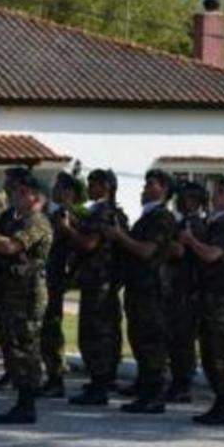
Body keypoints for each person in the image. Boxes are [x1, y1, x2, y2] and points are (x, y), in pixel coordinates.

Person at [0, 173, 53, 424]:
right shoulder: (18, 220)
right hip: (12, 292)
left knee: (25, 347)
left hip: (27, 294)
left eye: (23, 192)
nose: (16, 196)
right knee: (12, 345)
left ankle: (27, 404)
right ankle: (23, 400)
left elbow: (12, 247)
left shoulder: (37, 222)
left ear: (36, 197)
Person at [106, 169, 177, 413]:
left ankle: (154, 395)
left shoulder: (162, 218)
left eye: (151, 184)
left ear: (164, 189)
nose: (144, 189)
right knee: (139, 339)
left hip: (152, 290)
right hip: (139, 287)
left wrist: (120, 237)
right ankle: (145, 389)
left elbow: (147, 250)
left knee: (151, 342)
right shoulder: (148, 216)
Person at [179, 177, 224, 425]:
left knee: (223, 352)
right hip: (210, 297)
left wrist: (191, 241)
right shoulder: (214, 223)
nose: (214, 195)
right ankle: (220, 401)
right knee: (210, 351)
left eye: (220, 192)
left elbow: (212, 255)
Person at [63, 169, 129, 406]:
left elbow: (89, 243)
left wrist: (67, 229)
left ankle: (101, 384)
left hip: (101, 280)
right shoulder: (100, 211)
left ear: (106, 186)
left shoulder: (105, 212)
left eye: (94, 183)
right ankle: (100, 380)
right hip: (97, 279)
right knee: (98, 332)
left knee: (97, 334)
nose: (89, 187)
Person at [163, 181, 207, 404]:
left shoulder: (194, 225)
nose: (179, 201)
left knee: (183, 340)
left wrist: (164, 244)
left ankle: (183, 384)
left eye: (185, 198)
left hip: (187, 289)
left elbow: (181, 252)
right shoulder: (184, 223)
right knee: (175, 338)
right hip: (178, 287)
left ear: (195, 201)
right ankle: (178, 381)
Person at [38, 172, 81, 399]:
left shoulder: (67, 216)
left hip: (54, 277)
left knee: (51, 329)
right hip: (46, 277)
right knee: (45, 329)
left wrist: (68, 277)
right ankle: (51, 375)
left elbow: (77, 248)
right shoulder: (51, 213)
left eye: (61, 188)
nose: (55, 190)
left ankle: (56, 377)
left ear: (69, 193)